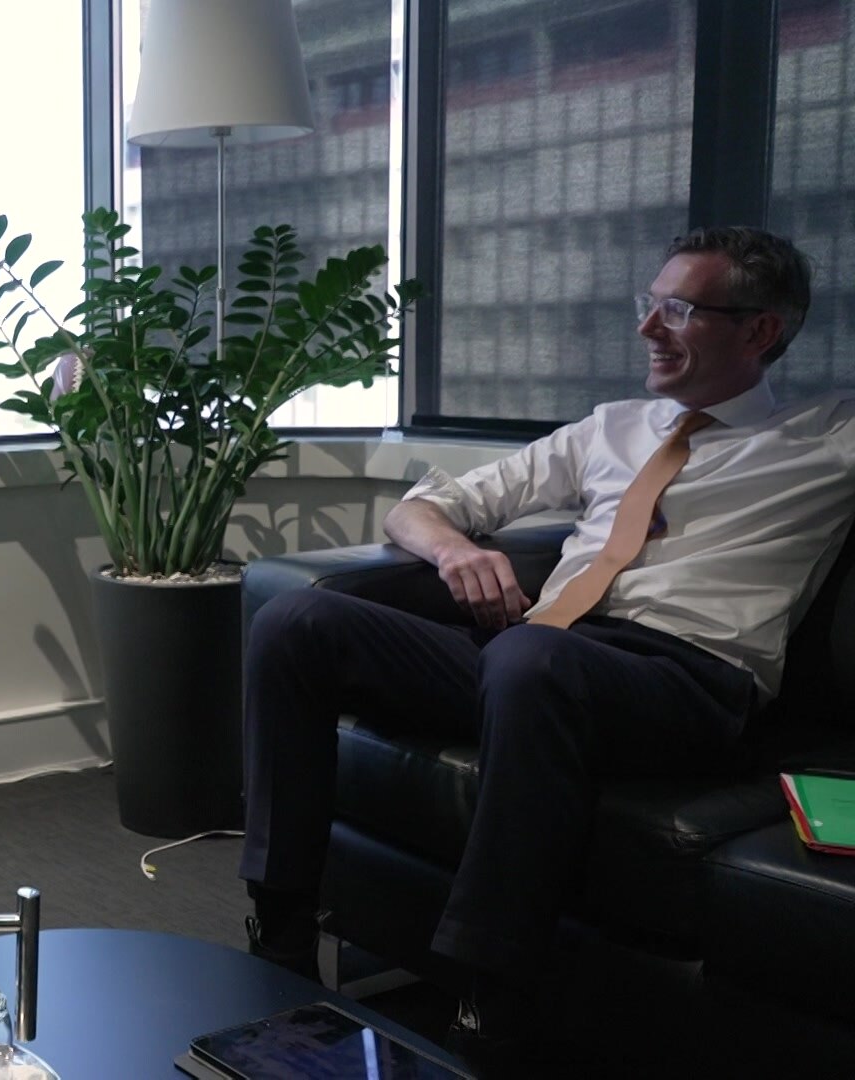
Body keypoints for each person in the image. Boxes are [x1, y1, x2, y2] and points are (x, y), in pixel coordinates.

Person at [240, 227, 855, 1064]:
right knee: (297, 622)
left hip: (688, 682)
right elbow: (423, 508)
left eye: (678, 310)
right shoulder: (612, 427)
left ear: (761, 330)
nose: (647, 328)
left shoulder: (829, 438)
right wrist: (456, 552)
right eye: (650, 304)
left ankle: (489, 1006)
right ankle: (278, 948)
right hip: (540, 659)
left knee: (529, 660)